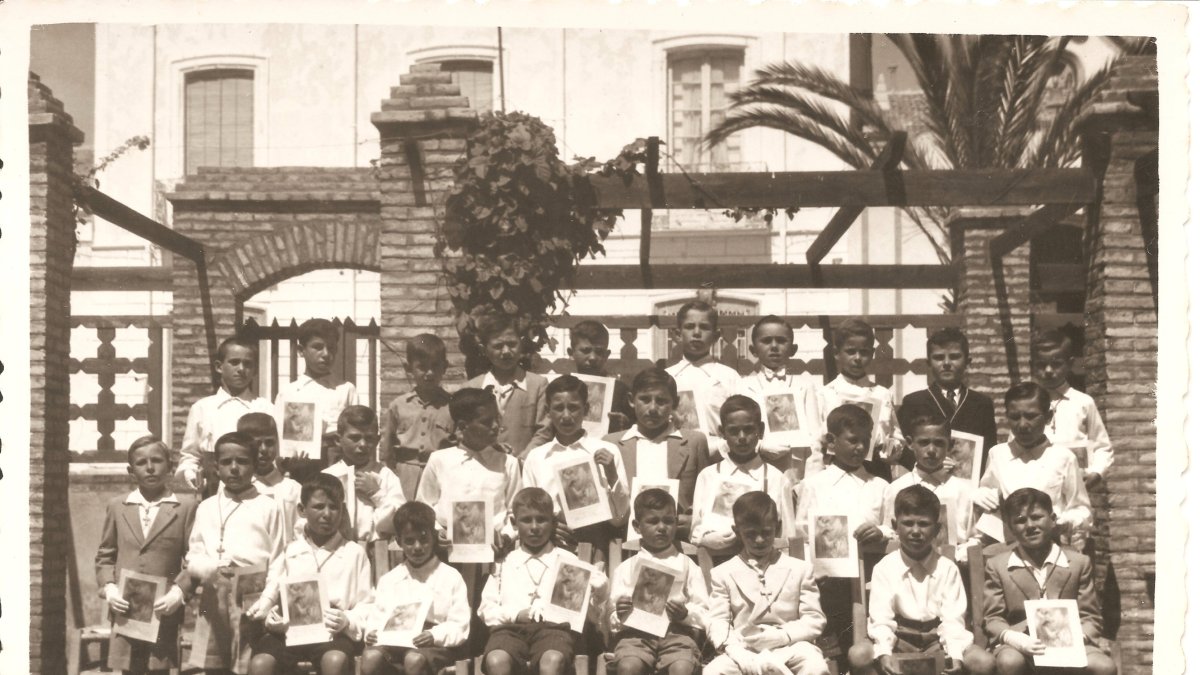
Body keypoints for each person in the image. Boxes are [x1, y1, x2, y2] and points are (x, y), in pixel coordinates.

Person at [848, 485, 994, 675]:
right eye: (908, 523)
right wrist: (884, 652)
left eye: (924, 524)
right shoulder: (884, 568)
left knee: (984, 662)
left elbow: (953, 620)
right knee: (858, 655)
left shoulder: (947, 568)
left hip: (938, 640)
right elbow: (881, 619)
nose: (915, 531)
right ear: (895, 526)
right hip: (899, 639)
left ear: (937, 529)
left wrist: (955, 655)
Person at [792, 404, 890, 663]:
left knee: (864, 647)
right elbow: (802, 532)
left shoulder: (880, 486)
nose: (860, 447)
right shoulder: (813, 485)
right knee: (831, 647)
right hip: (827, 584)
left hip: (869, 578)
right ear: (832, 442)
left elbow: (893, 527)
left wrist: (880, 532)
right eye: (853, 440)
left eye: (865, 441)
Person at [983, 488, 1115, 675]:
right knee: (1009, 662)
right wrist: (1016, 639)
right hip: (1021, 644)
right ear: (1011, 528)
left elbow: (1090, 617)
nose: (1029, 525)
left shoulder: (1077, 563)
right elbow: (993, 618)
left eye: (1036, 517)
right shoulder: (998, 565)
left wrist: (1075, 639)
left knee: (1104, 667)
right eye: (1020, 521)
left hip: (1070, 641)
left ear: (1053, 520)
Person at [249, 474, 371, 675]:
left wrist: (347, 620)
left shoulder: (353, 553)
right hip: (290, 633)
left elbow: (367, 604)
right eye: (318, 507)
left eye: (334, 507)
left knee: (335, 660)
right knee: (261, 663)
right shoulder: (290, 551)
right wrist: (273, 618)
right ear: (302, 510)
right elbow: (273, 594)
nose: (327, 514)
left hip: (333, 634)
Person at [478, 488, 609, 675]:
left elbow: (589, 615)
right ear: (514, 523)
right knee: (496, 660)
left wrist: (599, 591)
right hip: (509, 631)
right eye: (526, 520)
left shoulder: (568, 561)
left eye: (541, 519)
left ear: (553, 523)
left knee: (552, 660)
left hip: (554, 630)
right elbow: (487, 608)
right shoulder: (504, 562)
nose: (534, 527)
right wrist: (515, 615)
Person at [185, 432, 286, 674]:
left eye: (242, 462)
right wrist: (207, 568)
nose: (234, 468)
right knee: (215, 665)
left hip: (253, 595)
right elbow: (194, 552)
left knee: (248, 662)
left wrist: (268, 599)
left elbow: (279, 559)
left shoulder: (268, 507)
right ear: (216, 466)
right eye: (226, 462)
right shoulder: (207, 507)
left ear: (254, 465)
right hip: (215, 591)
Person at [95, 436, 197, 675]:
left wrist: (179, 592)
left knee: (158, 669)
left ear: (170, 467)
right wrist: (109, 588)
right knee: (129, 669)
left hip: (163, 610)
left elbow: (194, 558)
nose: (150, 468)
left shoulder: (185, 507)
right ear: (131, 471)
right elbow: (105, 555)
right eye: (142, 463)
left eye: (157, 461)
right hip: (126, 609)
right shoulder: (118, 506)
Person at [704, 492, 828, 675]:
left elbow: (814, 619)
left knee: (815, 667)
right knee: (714, 671)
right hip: (745, 647)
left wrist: (782, 636)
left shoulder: (800, 569)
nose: (759, 540)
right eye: (751, 534)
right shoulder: (723, 573)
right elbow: (718, 621)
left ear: (777, 528)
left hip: (792, 646)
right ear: (737, 532)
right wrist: (734, 650)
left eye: (766, 532)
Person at [358, 502, 471, 675]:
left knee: (413, 659)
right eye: (409, 541)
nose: (417, 547)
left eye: (424, 540)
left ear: (433, 537)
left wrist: (434, 635)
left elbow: (459, 625)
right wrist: (373, 633)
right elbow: (377, 617)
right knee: (371, 657)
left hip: (434, 645)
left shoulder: (450, 576)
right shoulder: (390, 580)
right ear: (399, 541)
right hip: (395, 643)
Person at [974, 383, 1092, 549]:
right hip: (1009, 548)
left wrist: (1061, 522)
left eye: (1031, 416)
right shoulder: (998, 454)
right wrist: (982, 495)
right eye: (1015, 417)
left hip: (1051, 546)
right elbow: (989, 493)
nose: (1022, 424)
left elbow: (1081, 509)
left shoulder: (1063, 457)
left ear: (1048, 416)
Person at [523, 375, 630, 555]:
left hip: (598, 548)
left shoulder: (607, 451)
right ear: (548, 412)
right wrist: (549, 527)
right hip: (549, 546)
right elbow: (526, 510)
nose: (566, 416)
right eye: (558, 408)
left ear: (586, 409)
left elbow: (620, 518)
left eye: (573, 408)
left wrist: (612, 475)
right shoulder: (536, 457)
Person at [603, 368, 712, 540]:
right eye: (645, 399)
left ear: (675, 403)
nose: (653, 408)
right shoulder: (612, 444)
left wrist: (693, 519)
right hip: (626, 543)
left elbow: (706, 496)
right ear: (632, 400)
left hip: (678, 543)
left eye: (661, 401)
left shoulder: (694, 442)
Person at [609, 489, 708, 675]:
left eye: (668, 521)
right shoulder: (627, 567)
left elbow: (704, 611)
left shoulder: (687, 565)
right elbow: (611, 616)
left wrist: (685, 614)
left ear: (676, 523)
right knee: (629, 667)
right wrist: (620, 613)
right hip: (635, 636)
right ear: (637, 526)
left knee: (682, 668)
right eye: (653, 521)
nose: (662, 527)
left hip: (678, 635)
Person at [417, 388, 523, 552]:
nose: (495, 426)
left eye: (497, 419)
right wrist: (437, 531)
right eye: (486, 422)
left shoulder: (508, 463)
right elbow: (424, 507)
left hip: (495, 554)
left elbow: (515, 511)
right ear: (463, 426)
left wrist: (507, 536)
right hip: (448, 554)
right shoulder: (439, 460)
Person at [691, 396, 791, 561]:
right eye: (734, 431)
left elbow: (787, 535)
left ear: (761, 429)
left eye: (749, 429)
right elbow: (696, 527)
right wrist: (705, 538)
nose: (742, 437)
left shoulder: (776, 478)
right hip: (715, 564)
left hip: (764, 566)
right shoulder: (708, 475)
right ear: (722, 432)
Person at [178, 336, 274, 496]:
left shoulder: (266, 408)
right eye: (234, 362)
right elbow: (190, 455)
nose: (241, 369)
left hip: (258, 493)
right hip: (215, 493)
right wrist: (192, 474)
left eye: (248, 364)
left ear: (255, 370)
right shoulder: (202, 408)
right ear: (219, 366)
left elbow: (275, 454)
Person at [814, 319, 904, 480]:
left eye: (864, 352)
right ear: (836, 353)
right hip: (836, 471)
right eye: (850, 351)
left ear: (872, 353)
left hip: (876, 471)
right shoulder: (826, 393)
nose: (857, 358)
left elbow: (895, 435)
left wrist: (890, 449)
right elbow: (817, 440)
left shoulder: (882, 394)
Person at [898, 328, 998, 471]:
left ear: (967, 361)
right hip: (926, 482)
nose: (946, 363)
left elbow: (989, 450)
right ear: (929, 363)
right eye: (938, 357)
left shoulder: (982, 403)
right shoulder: (914, 402)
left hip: (968, 486)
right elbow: (905, 448)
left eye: (954, 357)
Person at [881, 416, 977, 562]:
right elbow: (890, 531)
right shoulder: (896, 488)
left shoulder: (963, 491)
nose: (931, 450)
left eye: (939, 443)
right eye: (924, 442)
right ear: (910, 443)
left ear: (950, 445)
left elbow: (974, 538)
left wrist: (955, 556)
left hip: (952, 568)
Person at [736, 315, 820, 476]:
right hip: (756, 468)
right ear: (753, 350)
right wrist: (760, 445)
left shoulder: (804, 385)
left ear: (793, 349)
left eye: (781, 341)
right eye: (766, 341)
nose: (774, 346)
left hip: (796, 467)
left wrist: (813, 478)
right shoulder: (744, 386)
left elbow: (815, 436)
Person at [1031, 329, 1112, 492]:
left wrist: (1096, 472)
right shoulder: (1029, 402)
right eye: (1041, 365)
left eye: (1056, 364)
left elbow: (1103, 446)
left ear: (1070, 363)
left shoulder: (1083, 402)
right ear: (1032, 366)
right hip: (1037, 487)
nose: (1048, 370)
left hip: (1075, 487)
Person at [465, 312, 553, 458]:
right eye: (498, 346)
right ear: (484, 350)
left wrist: (522, 461)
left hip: (524, 468)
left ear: (522, 343)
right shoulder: (472, 388)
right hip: (482, 468)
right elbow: (465, 433)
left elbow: (544, 432)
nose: (506, 352)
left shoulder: (538, 386)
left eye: (512, 344)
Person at [379, 334, 455, 500]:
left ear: (445, 367)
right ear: (409, 368)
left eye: (435, 366)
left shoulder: (453, 406)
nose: (429, 373)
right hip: (405, 474)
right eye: (422, 367)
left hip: (440, 473)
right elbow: (387, 449)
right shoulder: (398, 405)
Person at [274, 318, 358, 469]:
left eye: (331, 348)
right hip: (302, 464)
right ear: (301, 350)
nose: (326, 354)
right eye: (318, 347)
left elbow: (358, 430)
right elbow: (280, 437)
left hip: (338, 462)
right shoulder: (289, 392)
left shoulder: (346, 389)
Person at [664, 300, 740, 460]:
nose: (697, 333)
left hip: (721, 455)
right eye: (690, 326)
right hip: (676, 453)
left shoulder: (729, 376)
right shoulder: (667, 377)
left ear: (716, 336)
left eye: (704, 327)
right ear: (677, 334)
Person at [320, 406, 406, 544]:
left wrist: (376, 494)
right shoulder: (327, 477)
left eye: (369, 438)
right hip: (336, 551)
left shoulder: (386, 476)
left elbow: (400, 521)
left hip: (375, 552)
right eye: (355, 438)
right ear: (338, 439)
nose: (363, 444)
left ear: (378, 440)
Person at [241, 412, 303, 543]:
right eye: (257, 444)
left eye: (269, 443)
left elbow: (301, 534)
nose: (263, 449)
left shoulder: (293, 489)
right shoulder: (234, 488)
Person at [568, 320, 635, 433]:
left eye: (599, 352)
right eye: (586, 351)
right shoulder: (562, 388)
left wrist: (627, 424)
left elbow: (639, 427)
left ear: (607, 355)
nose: (593, 357)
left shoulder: (620, 391)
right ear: (571, 353)